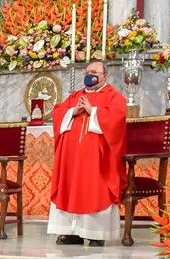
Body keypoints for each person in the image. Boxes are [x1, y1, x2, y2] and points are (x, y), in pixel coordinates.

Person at [47, 59, 127, 246]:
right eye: (88, 71)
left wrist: (94, 111)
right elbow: (58, 111)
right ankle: (71, 232)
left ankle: (95, 233)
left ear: (104, 76)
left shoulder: (113, 96)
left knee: (94, 189)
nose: (90, 75)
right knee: (69, 188)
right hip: (71, 158)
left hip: (97, 158)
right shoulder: (76, 96)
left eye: (95, 72)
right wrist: (73, 112)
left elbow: (118, 117)